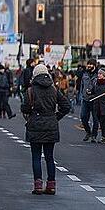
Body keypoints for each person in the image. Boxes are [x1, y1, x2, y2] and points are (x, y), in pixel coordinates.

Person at [21, 63, 71, 195]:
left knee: (36, 157)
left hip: (35, 125)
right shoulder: (54, 89)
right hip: (51, 125)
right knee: (50, 157)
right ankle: (51, 185)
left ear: (34, 75)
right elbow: (66, 106)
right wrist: (56, 117)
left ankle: (38, 185)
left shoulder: (31, 90)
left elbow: (24, 108)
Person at [88, 68, 105, 143]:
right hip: (97, 105)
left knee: (103, 122)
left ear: (104, 75)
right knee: (97, 121)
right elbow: (93, 92)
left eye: (100, 74)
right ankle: (97, 136)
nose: (98, 75)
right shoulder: (96, 83)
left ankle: (104, 136)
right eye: (98, 74)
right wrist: (89, 92)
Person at [78, 59, 99, 141]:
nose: (89, 66)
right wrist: (81, 95)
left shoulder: (98, 74)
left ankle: (94, 135)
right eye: (88, 64)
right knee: (83, 117)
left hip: (95, 99)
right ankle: (88, 132)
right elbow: (82, 85)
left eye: (91, 64)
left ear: (94, 65)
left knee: (95, 119)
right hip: (85, 99)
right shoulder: (85, 74)